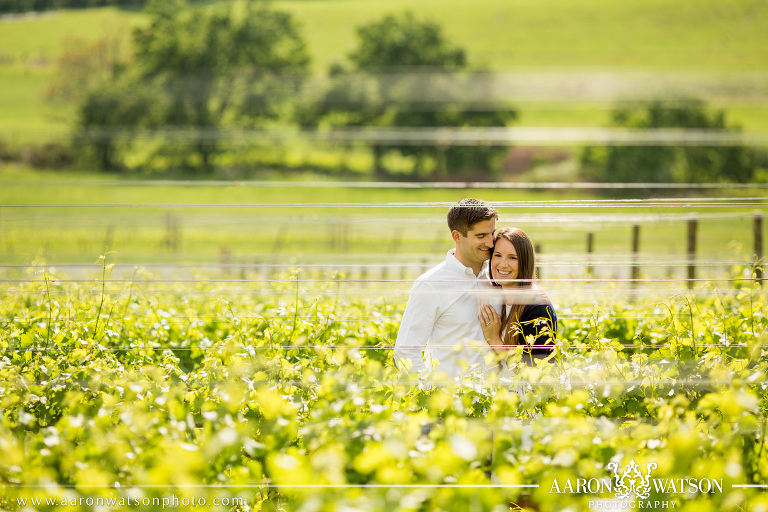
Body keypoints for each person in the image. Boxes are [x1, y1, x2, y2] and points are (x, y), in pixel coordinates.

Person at [393, 198, 501, 381]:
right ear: (457, 237)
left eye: (492, 234)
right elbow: (405, 352)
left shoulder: (498, 279)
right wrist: (434, 395)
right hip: (450, 405)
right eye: (481, 236)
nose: (490, 243)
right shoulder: (430, 285)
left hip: (498, 404)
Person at [478, 227, 556, 365]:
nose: (503, 264)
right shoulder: (498, 296)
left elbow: (531, 371)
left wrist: (495, 340)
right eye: (497, 255)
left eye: (512, 258)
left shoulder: (536, 305)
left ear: (525, 262)